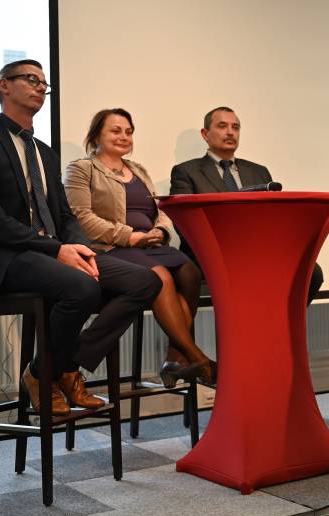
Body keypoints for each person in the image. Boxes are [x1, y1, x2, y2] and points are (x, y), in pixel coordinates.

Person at [0, 60, 162, 416]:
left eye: (43, 84)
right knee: (82, 288)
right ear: (4, 86)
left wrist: (80, 247)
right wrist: (58, 249)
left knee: (144, 281)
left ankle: (56, 368)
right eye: (31, 79)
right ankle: (50, 372)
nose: (39, 88)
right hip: (1, 256)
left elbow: (65, 215)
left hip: (49, 252)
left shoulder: (45, 153)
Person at [64, 109, 216, 387]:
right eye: (115, 130)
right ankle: (196, 356)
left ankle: (175, 354)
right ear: (97, 134)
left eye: (128, 131)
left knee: (190, 271)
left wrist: (162, 230)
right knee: (162, 277)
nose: (123, 136)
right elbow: (81, 218)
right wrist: (129, 236)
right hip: (112, 248)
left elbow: (161, 211)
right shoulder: (81, 169)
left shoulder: (138, 170)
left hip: (150, 244)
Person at [169, 106, 324, 304]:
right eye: (222, 126)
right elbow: (184, 224)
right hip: (211, 252)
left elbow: (273, 219)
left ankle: (277, 323)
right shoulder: (186, 172)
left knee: (312, 273)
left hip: (255, 250)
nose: (230, 132)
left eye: (236, 127)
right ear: (205, 134)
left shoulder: (259, 172)